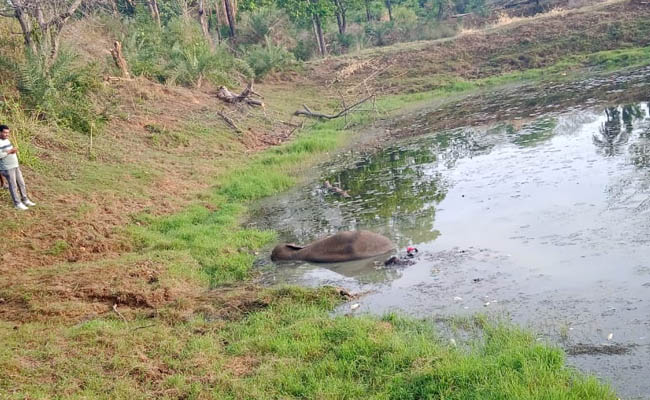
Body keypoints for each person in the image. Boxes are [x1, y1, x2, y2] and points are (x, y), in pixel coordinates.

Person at [0, 124, 36, 210]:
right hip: (7, 167)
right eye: (5, 133)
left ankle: (25, 199)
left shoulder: (7, 140)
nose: (7, 134)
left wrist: (13, 151)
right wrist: (10, 151)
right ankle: (17, 203)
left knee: (21, 183)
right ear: (0, 132)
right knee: (13, 185)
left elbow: (8, 151)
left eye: (8, 133)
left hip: (15, 165)